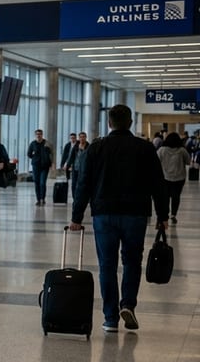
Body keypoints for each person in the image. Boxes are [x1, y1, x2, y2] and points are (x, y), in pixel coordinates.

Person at [70, 104, 168, 334]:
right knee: (132, 262)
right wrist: (163, 215)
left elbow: (83, 184)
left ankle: (110, 318)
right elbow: (158, 184)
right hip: (135, 214)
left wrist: (76, 216)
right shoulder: (144, 148)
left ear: (109, 123)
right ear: (131, 123)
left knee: (107, 265)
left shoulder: (96, 148)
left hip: (104, 214)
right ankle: (128, 304)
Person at [157, 132, 189, 223]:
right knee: (176, 197)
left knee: (165, 197)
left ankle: (165, 215)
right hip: (179, 178)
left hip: (164, 177)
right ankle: (173, 214)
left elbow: (156, 161)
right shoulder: (182, 150)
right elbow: (188, 161)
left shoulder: (161, 150)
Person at [27, 129, 54, 206]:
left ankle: (43, 198)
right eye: (37, 134)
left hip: (45, 166)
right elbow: (29, 154)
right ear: (35, 135)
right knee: (37, 182)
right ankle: (38, 199)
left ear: (42, 135)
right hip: (36, 166)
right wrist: (34, 157)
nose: (38, 135)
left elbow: (51, 153)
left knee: (42, 183)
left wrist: (52, 163)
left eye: (40, 134)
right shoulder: (33, 144)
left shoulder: (47, 143)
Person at [71, 132, 89, 200]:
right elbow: (71, 156)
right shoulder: (76, 146)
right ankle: (74, 198)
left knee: (83, 184)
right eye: (81, 137)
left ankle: (83, 197)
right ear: (79, 138)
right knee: (74, 184)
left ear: (86, 137)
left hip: (84, 169)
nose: (82, 138)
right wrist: (67, 164)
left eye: (83, 137)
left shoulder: (88, 146)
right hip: (75, 168)